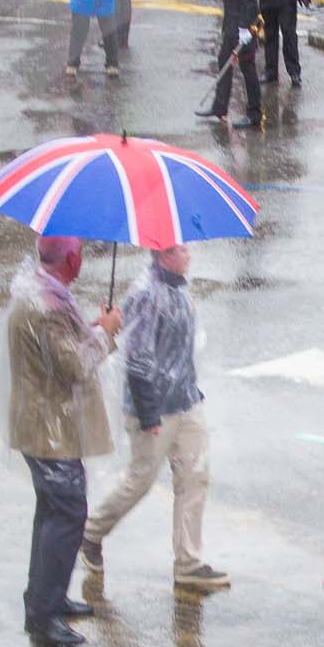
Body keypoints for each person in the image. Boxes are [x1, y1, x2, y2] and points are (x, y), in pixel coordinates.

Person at [78, 244, 229, 593]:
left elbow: (182, 349)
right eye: (180, 250)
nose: (189, 254)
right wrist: (148, 414)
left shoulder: (178, 289)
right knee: (140, 481)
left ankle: (188, 563)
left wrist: (190, 389)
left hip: (186, 402)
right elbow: (138, 359)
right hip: (155, 409)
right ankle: (90, 534)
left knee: (195, 478)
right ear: (163, 256)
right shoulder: (147, 294)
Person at [8, 235, 124, 647]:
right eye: (80, 254)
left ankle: (46, 600)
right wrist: (107, 334)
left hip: (44, 426)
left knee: (52, 518)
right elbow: (74, 365)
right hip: (50, 431)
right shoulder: (47, 307)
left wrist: (93, 328)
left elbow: (61, 352)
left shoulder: (45, 294)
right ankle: (44, 617)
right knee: (65, 518)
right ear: (71, 259)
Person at [196, 0, 262, 129]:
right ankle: (219, 107)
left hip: (244, 25)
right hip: (231, 22)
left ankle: (254, 113)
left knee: (247, 68)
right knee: (224, 60)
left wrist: (245, 28)